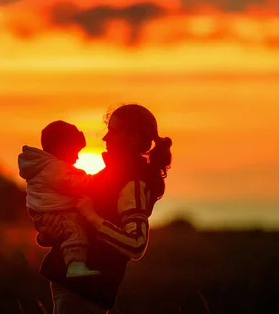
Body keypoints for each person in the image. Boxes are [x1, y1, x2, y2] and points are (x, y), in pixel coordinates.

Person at [39, 104, 173, 313]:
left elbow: (136, 243)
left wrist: (91, 216)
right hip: (73, 286)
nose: (105, 138)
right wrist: (50, 235)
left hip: (85, 291)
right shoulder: (110, 175)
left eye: (113, 131)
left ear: (133, 138)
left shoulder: (134, 183)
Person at [18, 120, 100, 278]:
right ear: (62, 148)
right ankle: (75, 265)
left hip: (46, 215)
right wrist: (95, 181)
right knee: (76, 231)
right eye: (75, 151)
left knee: (72, 229)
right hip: (55, 214)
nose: (77, 157)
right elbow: (74, 184)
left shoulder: (44, 167)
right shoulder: (55, 168)